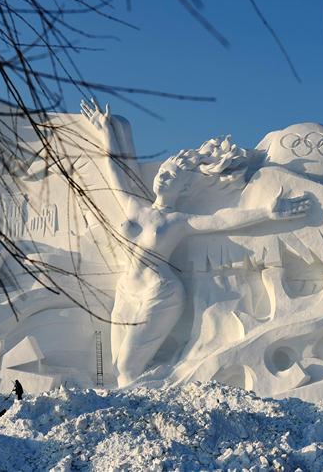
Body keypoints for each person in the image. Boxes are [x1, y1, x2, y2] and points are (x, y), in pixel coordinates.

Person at [82, 100, 311, 386]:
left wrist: (266, 212)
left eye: (173, 177)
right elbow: (114, 169)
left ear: (185, 188)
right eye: (164, 172)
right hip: (126, 291)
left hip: (160, 294)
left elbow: (222, 220)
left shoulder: (178, 221)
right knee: (119, 367)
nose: (163, 178)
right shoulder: (134, 207)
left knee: (128, 368)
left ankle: (143, 421)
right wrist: (107, 132)